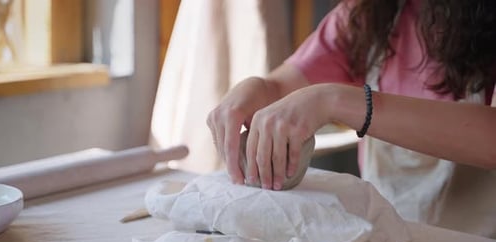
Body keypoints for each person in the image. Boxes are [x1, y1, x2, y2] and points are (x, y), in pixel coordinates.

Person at [207, 0, 496, 223]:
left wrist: (337, 100)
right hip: (391, 241)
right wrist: (255, 88)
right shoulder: (370, 12)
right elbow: (282, 86)